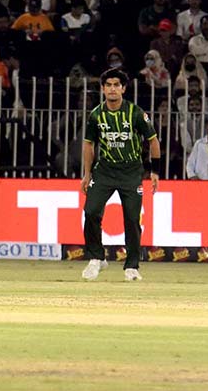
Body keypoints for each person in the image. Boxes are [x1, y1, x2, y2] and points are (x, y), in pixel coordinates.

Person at [81, 68, 160, 282]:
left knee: (133, 219)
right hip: (104, 170)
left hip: (131, 172)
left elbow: (153, 141)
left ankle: (132, 266)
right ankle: (97, 258)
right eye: (109, 85)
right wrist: (87, 174)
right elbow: (89, 145)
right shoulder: (96, 114)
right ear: (103, 89)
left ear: (123, 88)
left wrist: (155, 171)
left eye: (117, 85)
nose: (113, 89)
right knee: (91, 211)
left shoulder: (135, 113)